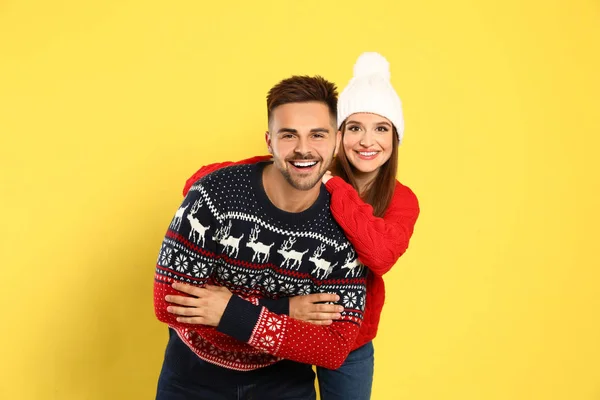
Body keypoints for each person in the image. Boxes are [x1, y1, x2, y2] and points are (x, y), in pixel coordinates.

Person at [176, 52, 420, 399]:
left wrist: (333, 185)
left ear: (396, 137)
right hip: (293, 322)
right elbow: (200, 182)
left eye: (381, 128)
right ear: (337, 135)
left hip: (350, 338)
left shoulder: (400, 199)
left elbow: (380, 255)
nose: (367, 141)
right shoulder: (305, 167)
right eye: (354, 128)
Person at [153, 75, 369, 399]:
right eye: (289, 135)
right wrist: (286, 310)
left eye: (318, 135)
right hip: (192, 378)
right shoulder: (215, 194)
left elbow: (333, 347)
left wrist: (226, 310)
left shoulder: (346, 224)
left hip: (283, 385)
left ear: (336, 140)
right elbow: (169, 302)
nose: (303, 148)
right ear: (269, 141)